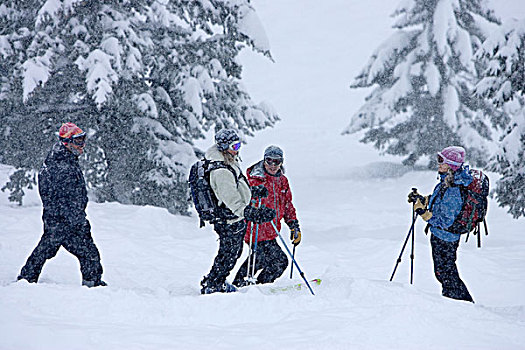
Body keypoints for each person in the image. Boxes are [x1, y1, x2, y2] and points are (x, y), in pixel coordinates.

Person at [18, 122, 106, 287]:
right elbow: (59, 197)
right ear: (67, 142)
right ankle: (92, 285)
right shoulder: (60, 166)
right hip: (63, 221)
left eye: (83, 140)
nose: (82, 146)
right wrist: (74, 219)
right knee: (85, 253)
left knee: (49, 250)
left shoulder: (63, 159)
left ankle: (27, 278)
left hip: (64, 219)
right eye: (78, 141)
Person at [200, 129, 276, 294]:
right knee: (229, 252)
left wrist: (252, 192)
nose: (238, 148)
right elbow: (231, 200)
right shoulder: (221, 171)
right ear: (224, 146)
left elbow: (236, 187)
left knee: (233, 251)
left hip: (233, 218)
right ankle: (214, 284)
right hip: (228, 219)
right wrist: (252, 213)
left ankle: (215, 281)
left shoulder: (227, 161)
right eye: (235, 145)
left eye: (239, 144)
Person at [409, 146, 474, 302]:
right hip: (441, 235)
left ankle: (461, 303)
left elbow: (446, 220)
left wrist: (425, 214)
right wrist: (424, 200)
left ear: (451, 165)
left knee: (445, 273)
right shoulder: (448, 181)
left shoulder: (454, 189)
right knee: (444, 272)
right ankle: (455, 301)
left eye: (442, 161)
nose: (438, 164)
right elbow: (440, 202)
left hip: (446, 238)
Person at [233, 145, 301, 287]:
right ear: (264, 160)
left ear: (281, 162)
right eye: (269, 161)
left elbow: (287, 205)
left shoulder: (282, 181)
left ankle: (255, 285)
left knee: (269, 260)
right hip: (254, 229)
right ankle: (247, 285)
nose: (272, 165)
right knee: (273, 260)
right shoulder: (254, 179)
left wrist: (294, 225)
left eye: (277, 161)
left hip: (271, 231)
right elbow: (242, 202)